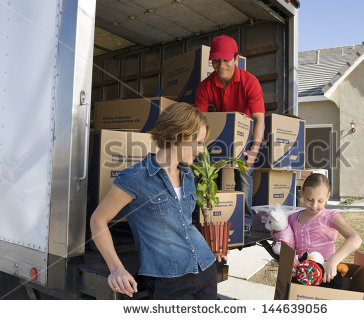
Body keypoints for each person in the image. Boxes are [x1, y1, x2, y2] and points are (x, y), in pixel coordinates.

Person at [90, 103, 222, 300]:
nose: (201, 150)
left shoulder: (188, 176)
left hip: (205, 268)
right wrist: (116, 268)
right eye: (199, 142)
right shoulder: (135, 177)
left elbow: (183, 224)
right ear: (178, 136)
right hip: (169, 281)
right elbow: (98, 220)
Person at [195, 35, 265, 230]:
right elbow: (199, 120)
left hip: (245, 132)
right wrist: (198, 145)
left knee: (244, 174)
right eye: (216, 60)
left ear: (236, 59)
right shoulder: (205, 86)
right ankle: (208, 217)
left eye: (226, 60)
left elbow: (259, 119)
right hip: (219, 131)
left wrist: (254, 150)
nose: (220, 65)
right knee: (208, 173)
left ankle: (245, 222)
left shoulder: (250, 82)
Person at [288, 174, 362, 283]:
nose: (314, 205)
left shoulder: (330, 217)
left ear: (328, 196)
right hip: (299, 277)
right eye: (309, 199)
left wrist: (333, 261)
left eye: (320, 201)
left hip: (325, 276)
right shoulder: (293, 218)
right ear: (302, 192)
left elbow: (355, 239)